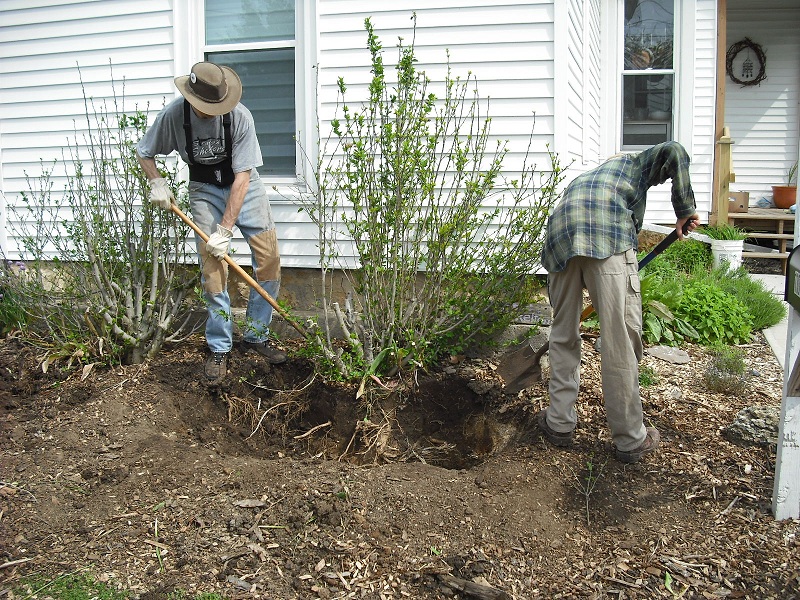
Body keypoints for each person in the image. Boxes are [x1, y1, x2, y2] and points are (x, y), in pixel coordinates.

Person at [539, 141, 700, 463]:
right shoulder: (634, 164)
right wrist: (685, 211)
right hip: (607, 237)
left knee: (563, 335)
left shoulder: (585, 179)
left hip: (559, 243)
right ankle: (629, 439)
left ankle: (558, 423)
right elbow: (674, 151)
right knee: (618, 340)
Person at [137, 61, 286, 383]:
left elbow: (243, 177)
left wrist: (225, 229)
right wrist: (156, 182)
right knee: (212, 268)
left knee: (269, 259)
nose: (211, 112)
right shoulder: (173, 115)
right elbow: (144, 151)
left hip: (244, 186)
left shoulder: (240, 116)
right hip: (204, 188)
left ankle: (256, 335)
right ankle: (220, 345)